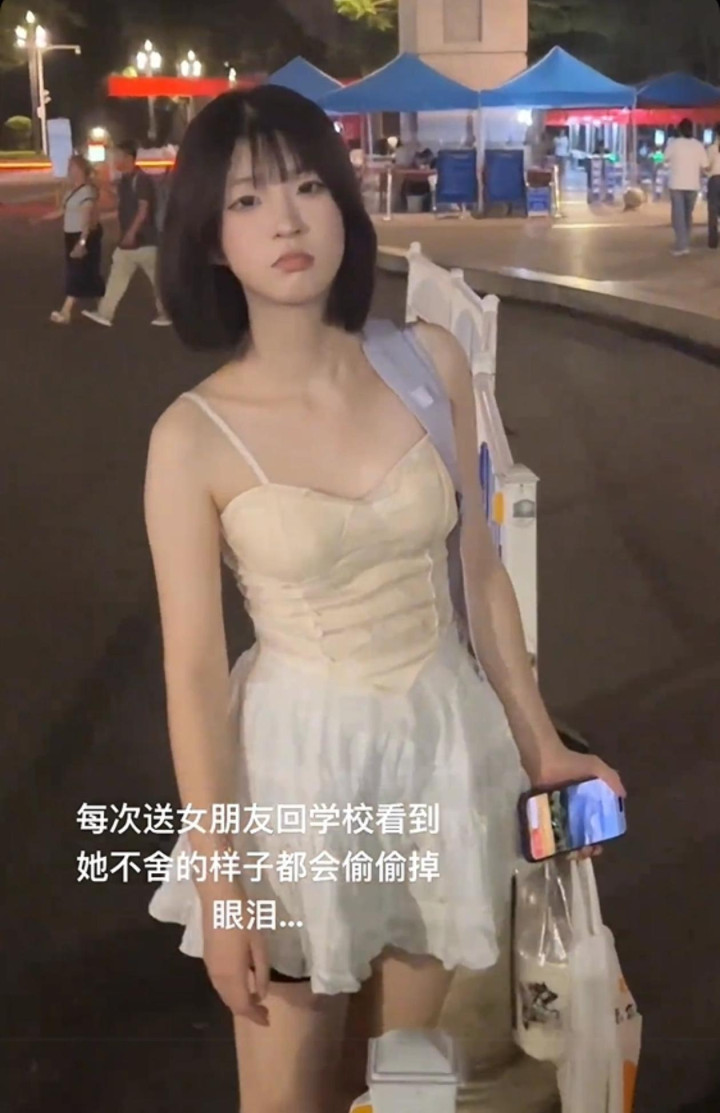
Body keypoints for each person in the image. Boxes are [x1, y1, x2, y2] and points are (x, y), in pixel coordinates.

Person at [143, 84, 624, 1113]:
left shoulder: (427, 361)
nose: (286, 221)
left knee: (407, 1085)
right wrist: (224, 887)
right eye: (246, 201)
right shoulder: (189, 438)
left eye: (307, 187)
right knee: (289, 1096)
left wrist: (542, 745)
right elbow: (191, 674)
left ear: (343, 204)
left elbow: (479, 571)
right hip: (297, 775)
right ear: (210, 239)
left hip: (441, 751)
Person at [82, 140, 170, 327]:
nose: (115, 161)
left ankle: (167, 313)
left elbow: (143, 209)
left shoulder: (142, 179)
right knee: (119, 274)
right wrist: (103, 187)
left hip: (145, 240)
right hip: (131, 243)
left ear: (129, 158)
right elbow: (122, 204)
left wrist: (131, 232)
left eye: (118, 157)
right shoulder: (125, 180)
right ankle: (105, 313)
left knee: (156, 280)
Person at [35, 154, 105, 324]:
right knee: (89, 273)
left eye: (72, 167)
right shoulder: (71, 191)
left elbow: (87, 219)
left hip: (84, 235)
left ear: (80, 169)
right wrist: (41, 219)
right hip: (71, 235)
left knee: (76, 272)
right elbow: (62, 211)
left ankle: (65, 312)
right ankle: (104, 308)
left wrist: (82, 242)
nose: (69, 170)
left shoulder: (87, 191)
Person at [663, 118, 709, 256]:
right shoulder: (698, 145)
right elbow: (705, 165)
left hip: (676, 184)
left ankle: (682, 245)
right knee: (687, 215)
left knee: (678, 216)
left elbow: (665, 159)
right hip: (693, 184)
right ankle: (684, 242)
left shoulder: (673, 144)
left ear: (680, 130)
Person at [706, 122, 720, 249]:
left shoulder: (712, 149)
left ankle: (713, 241)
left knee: (713, 211)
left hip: (715, 180)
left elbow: (707, 165)